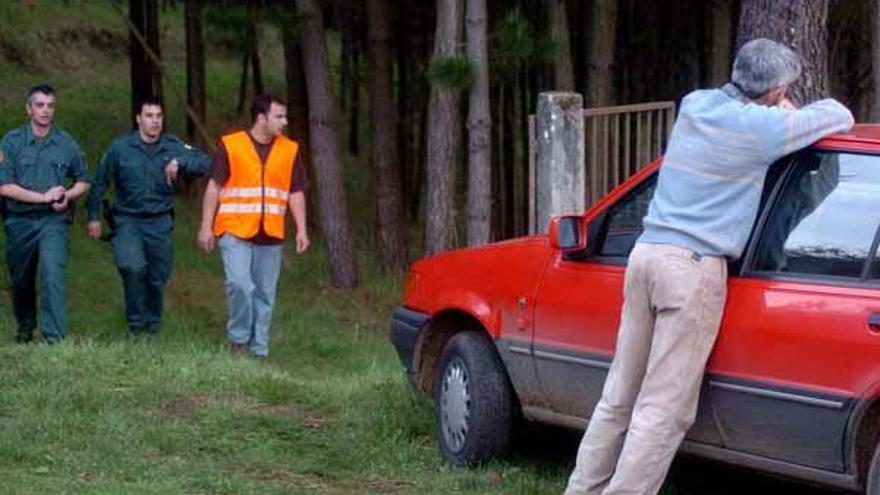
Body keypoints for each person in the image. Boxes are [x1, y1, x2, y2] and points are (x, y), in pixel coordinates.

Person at [564, 39, 854, 495]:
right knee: (663, 409)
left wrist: (775, 107)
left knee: (618, 397)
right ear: (776, 90)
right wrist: (786, 111)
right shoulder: (762, 129)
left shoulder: (696, 105)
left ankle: (582, 489)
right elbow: (838, 114)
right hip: (691, 269)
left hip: (647, 255)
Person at [85, 97, 209, 335]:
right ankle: (135, 324)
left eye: (158, 116)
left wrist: (180, 161)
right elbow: (100, 182)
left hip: (160, 221)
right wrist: (93, 216)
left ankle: (152, 326)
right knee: (132, 267)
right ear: (138, 119)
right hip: (127, 220)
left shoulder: (172, 145)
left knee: (157, 276)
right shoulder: (120, 147)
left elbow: (205, 163)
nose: (154, 121)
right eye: (149, 116)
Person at [197, 94, 309, 358]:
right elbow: (214, 186)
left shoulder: (289, 149)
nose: (285, 121)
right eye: (279, 116)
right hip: (234, 228)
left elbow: (296, 192)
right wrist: (206, 226)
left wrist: (301, 228)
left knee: (265, 295)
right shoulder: (232, 145)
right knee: (240, 285)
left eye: (285, 116)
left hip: (270, 232)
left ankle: (259, 350)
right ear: (262, 118)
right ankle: (239, 340)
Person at [0, 84, 91, 344]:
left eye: (50, 105)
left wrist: (66, 195)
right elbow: (4, 186)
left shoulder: (66, 143)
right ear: (28, 109)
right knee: (21, 280)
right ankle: (25, 326)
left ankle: (55, 339)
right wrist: (43, 197)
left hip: (54, 221)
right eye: (39, 105)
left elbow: (84, 180)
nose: (45, 111)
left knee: (53, 273)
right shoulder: (12, 141)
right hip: (20, 221)